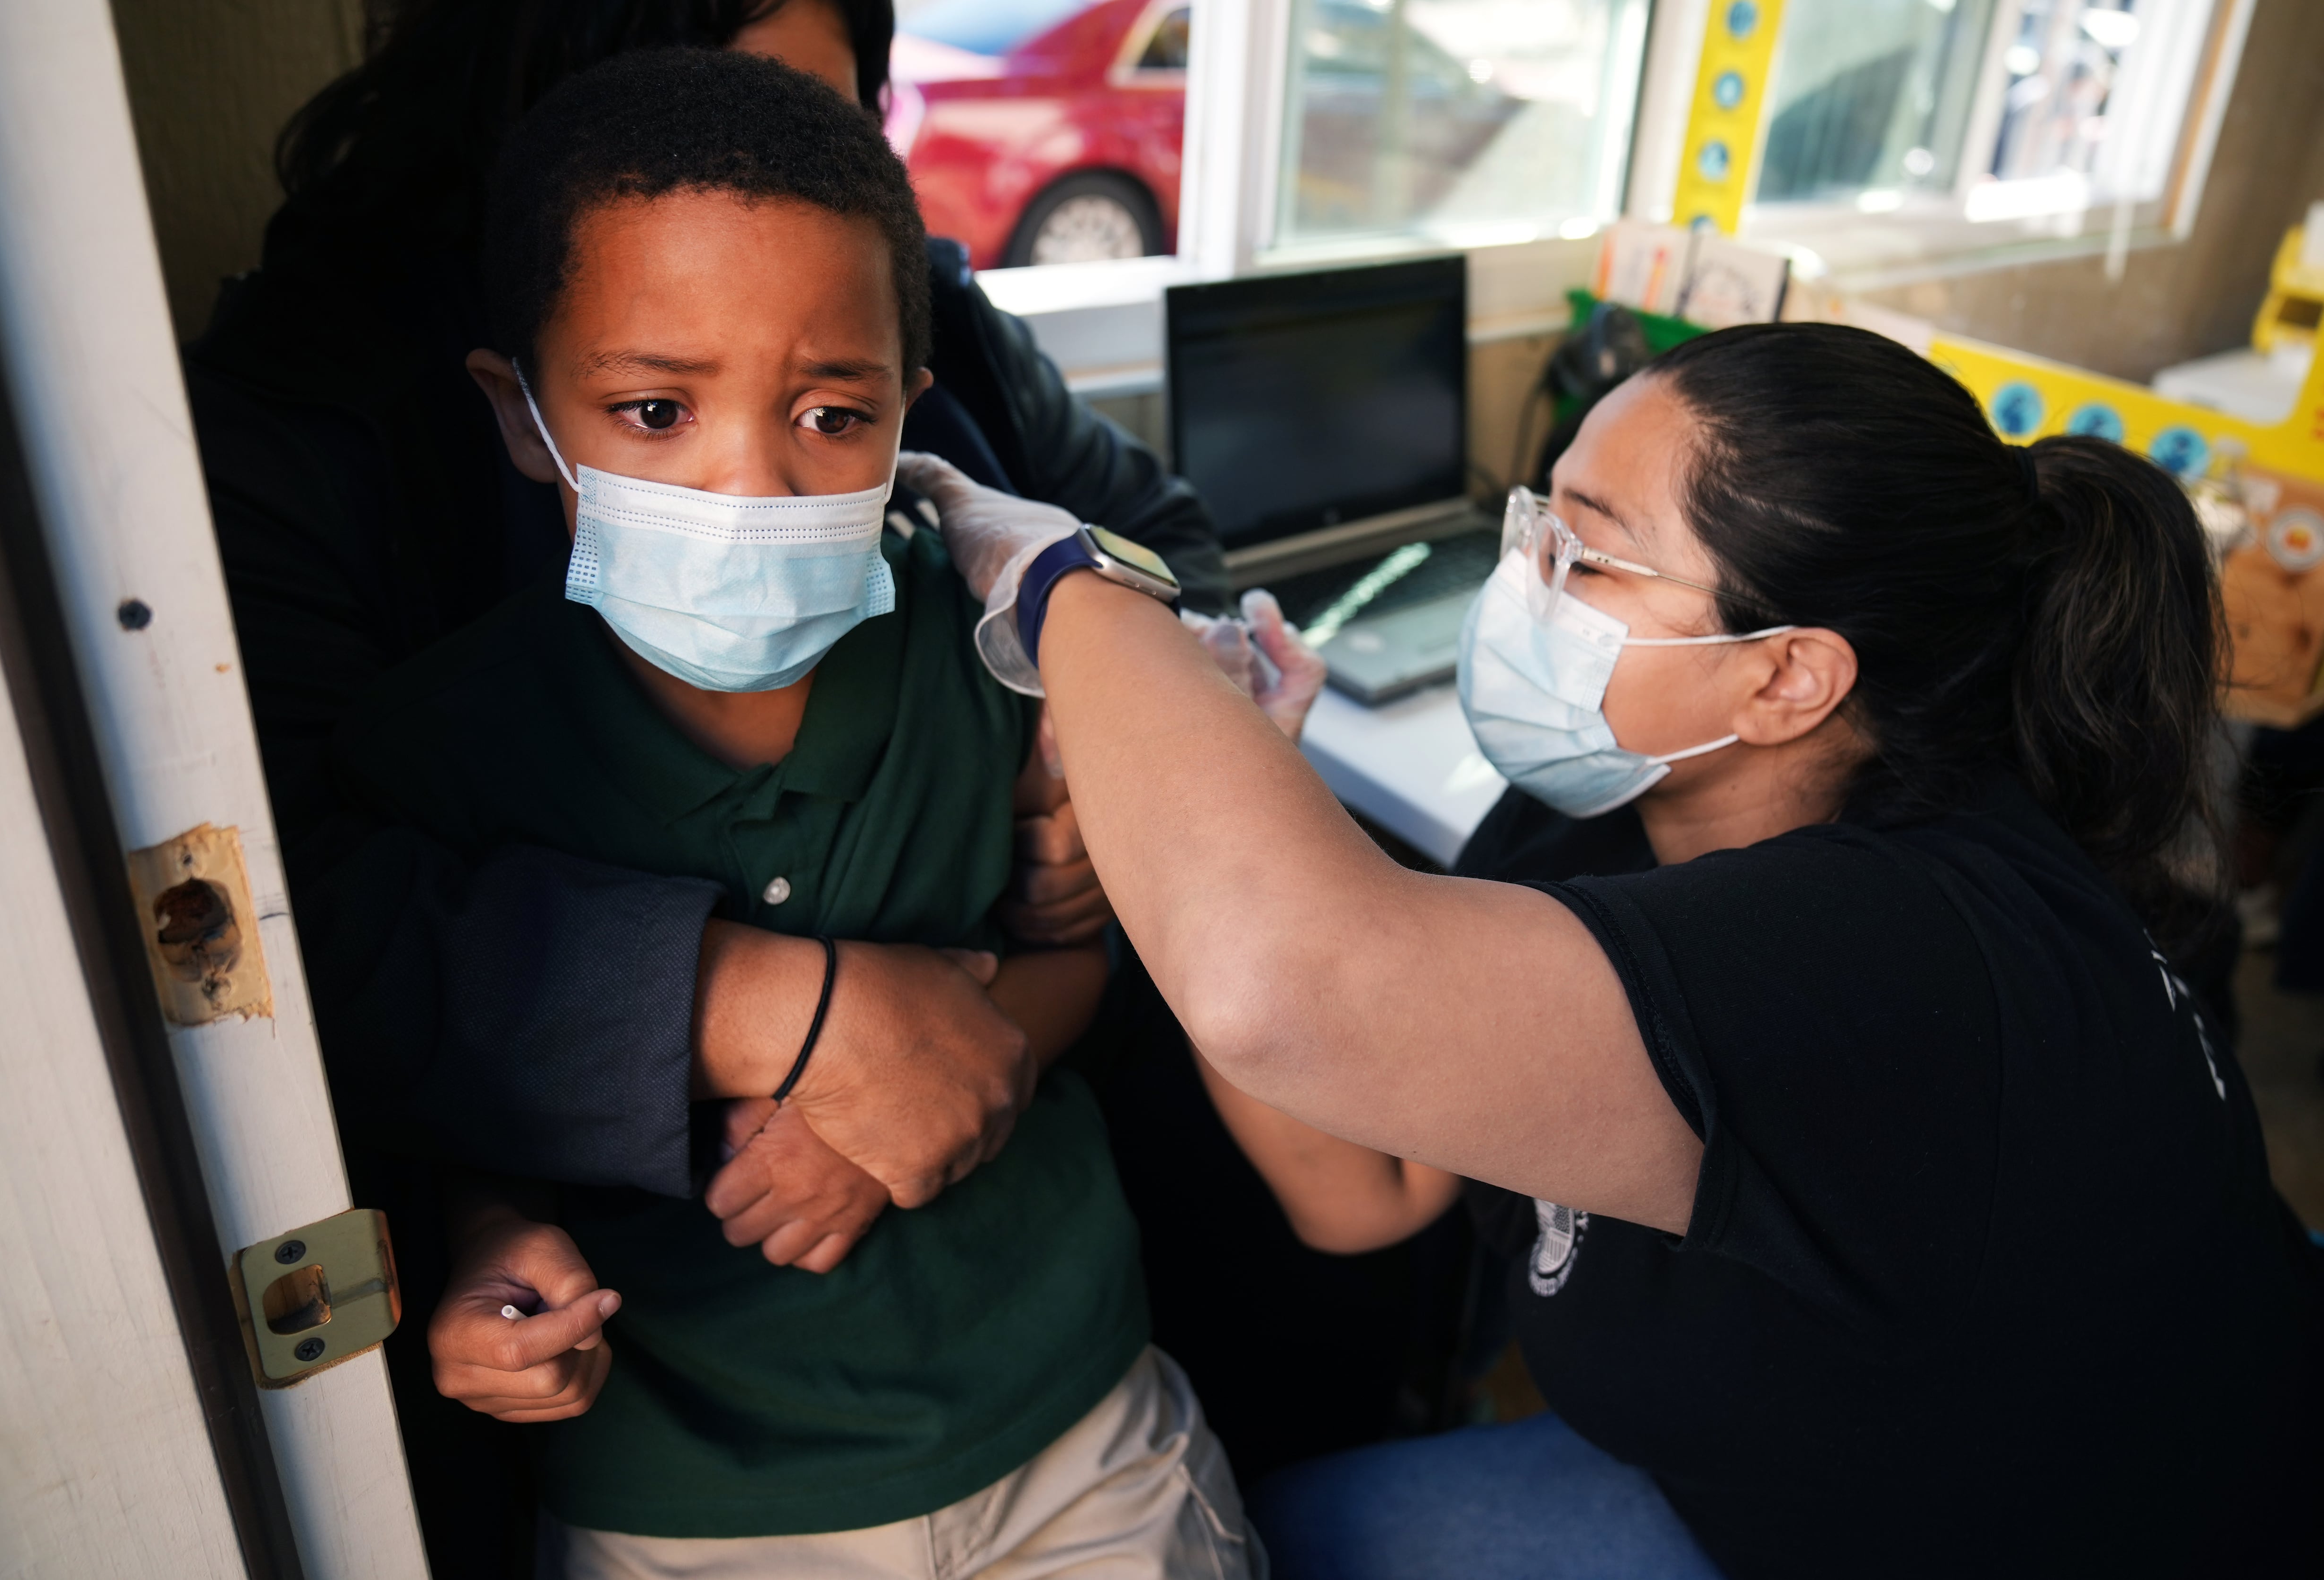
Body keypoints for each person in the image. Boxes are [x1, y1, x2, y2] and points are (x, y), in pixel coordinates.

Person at [905, 321, 2324, 1578]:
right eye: (1538, 522)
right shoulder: (1601, 808)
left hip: (2088, 1532)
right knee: (1291, 1527)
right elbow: (1366, 1186)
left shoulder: (1892, 952)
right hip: (1782, 1480)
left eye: (1582, 553)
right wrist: (1246, 779)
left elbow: (1280, 984)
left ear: (1785, 675)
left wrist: (1067, 590)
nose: (1523, 583)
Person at [182, 0, 1225, 1565]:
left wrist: (1100, 785)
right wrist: (483, 1241)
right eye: (658, 411)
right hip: (690, 1496)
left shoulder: (982, 637)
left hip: (1074, 1430)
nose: (747, 485)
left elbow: (1168, 620)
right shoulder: (440, 724)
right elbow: (343, 998)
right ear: (520, 411)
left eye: (829, 413)